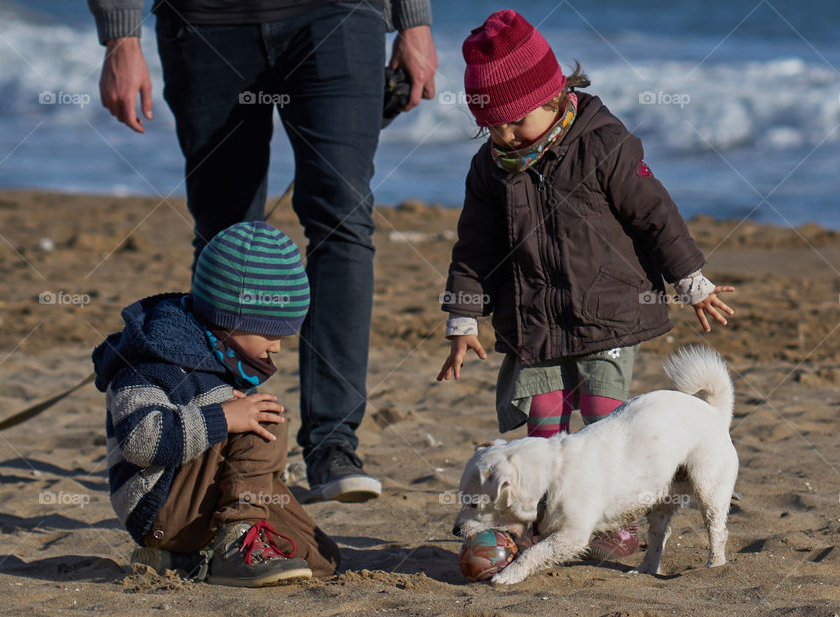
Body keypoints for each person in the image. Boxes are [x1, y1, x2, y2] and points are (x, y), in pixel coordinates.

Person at [87, 0, 437, 502]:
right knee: (224, 238)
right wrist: (121, 36)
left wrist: (414, 20)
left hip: (338, 14)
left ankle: (333, 444)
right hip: (204, 20)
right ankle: (225, 431)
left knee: (342, 215)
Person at [436, 10, 736, 561]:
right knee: (545, 417)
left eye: (513, 122)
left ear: (553, 95)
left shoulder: (605, 145)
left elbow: (655, 215)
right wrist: (462, 319)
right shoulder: (490, 169)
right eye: (490, 127)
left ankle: (611, 516)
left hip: (609, 312)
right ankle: (550, 515)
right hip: (535, 321)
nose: (502, 136)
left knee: (605, 415)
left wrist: (691, 280)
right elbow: (473, 249)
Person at [93, 221, 342, 586]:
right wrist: (223, 418)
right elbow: (140, 441)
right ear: (231, 319)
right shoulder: (154, 357)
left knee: (321, 559)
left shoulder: (221, 351)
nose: (277, 348)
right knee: (265, 420)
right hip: (157, 506)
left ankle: (185, 559)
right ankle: (233, 542)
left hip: (200, 502)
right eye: (271, 334)